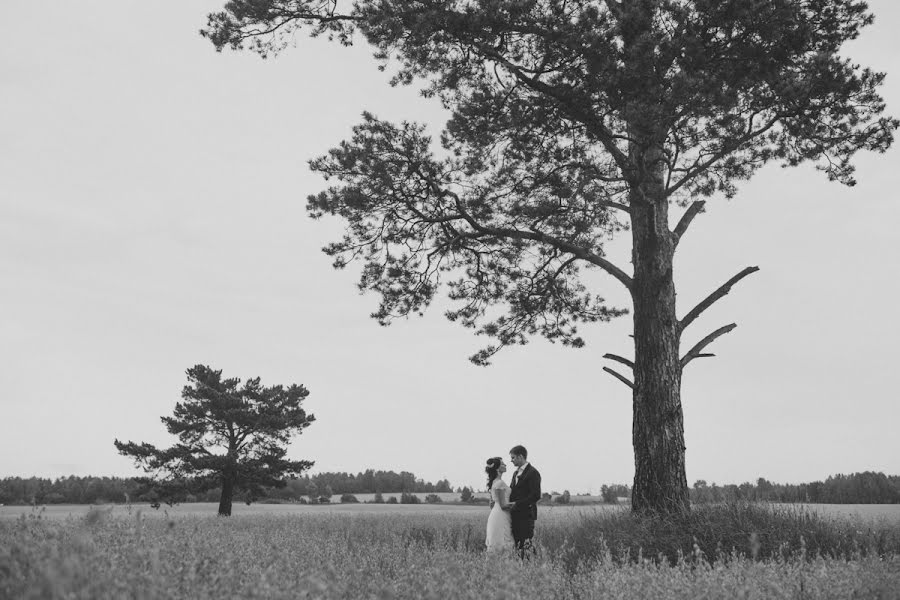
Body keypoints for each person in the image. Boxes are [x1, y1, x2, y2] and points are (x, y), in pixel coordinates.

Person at [508, 444, 541, 558]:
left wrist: (517, 504)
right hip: (515, 515)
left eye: (513, 457)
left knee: (526, 544)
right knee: (517, 544)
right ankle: (520, 569)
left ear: (520, 456)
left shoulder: (533, 473)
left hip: (527, 516)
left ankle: (533, 567)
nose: (511, 460)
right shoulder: (515, 473)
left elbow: (535, 495)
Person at [484, 456, 515, 552]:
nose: (505, 465)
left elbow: (491, 504)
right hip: (501, 513)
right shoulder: (500, 483)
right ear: (497, 468)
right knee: (503, 540)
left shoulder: (494, 482)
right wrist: (517, 504)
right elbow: (503, 505)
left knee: (498, 540)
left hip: (496, 513)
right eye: (502, 464)